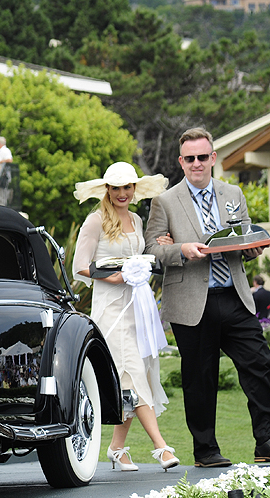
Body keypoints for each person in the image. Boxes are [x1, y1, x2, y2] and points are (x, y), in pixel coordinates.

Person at [144, 127, 270, 467]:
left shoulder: (233, 193)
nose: (197, 163)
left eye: (203, 157)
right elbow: (152, 250)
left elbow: (244, 237)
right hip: (190, 302)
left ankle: (268, 442)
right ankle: (206, 451)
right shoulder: (165, 201)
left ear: (213, 158)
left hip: (235, 296)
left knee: (258, 363)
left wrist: (253, 248)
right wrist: (182, 250)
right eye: (190, 158)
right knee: (200, 377)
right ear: (181, 162)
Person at [72, 162, 179, 471]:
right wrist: (112, 277)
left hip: (137, 307)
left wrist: (159, 249)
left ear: (135, 189)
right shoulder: (95, 221)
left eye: (127, 187)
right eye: (116, 188)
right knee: (130, 372)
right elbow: (80, 266)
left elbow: (141, 258)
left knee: (135, 376)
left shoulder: (135, 219)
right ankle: (161, 448)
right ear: (107, 189)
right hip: (111, 311)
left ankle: (117, 448)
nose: (122, 193)